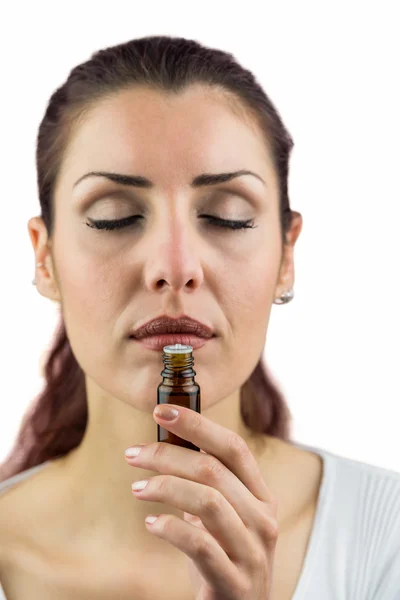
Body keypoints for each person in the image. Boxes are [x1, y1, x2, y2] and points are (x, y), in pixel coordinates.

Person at [0, 35, 399, 599]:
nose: (175, 267)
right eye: (115, 217)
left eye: (227, 217)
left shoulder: (386, 540)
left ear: (286, 257)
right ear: (45, 258)